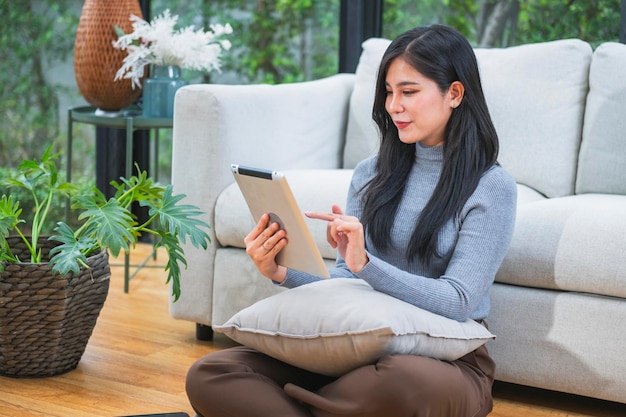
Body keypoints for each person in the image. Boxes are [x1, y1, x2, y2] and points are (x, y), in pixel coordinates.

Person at [186, 24, 517, 417]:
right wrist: (279, 272)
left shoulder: (491, 186)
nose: (394, 105)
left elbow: (459, 300)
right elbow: (346, 283)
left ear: (455, 93)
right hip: (355, 350)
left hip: (444, 361)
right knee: (212, 371)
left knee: (401, 383)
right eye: (389, 92)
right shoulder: (371, 174)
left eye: (409, 92)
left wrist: (368, 265)